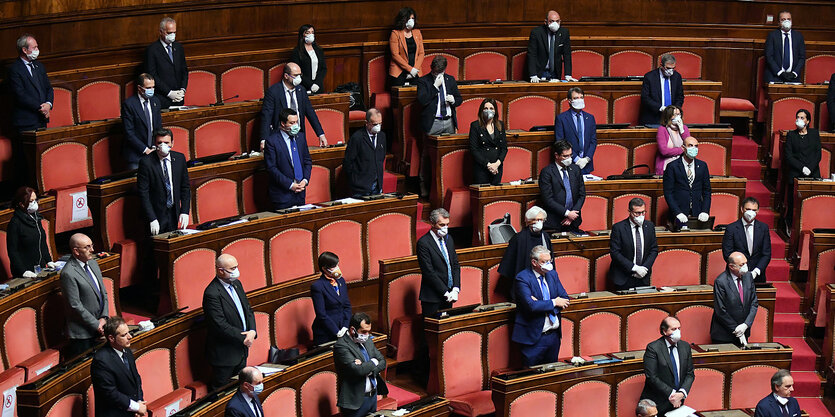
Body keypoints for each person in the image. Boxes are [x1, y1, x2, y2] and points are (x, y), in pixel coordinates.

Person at [203, 254, 257, 390]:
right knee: (221, 394)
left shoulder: (237, 284)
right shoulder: (212, 293)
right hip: (224, 356)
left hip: (241, 351)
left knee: (240, 390)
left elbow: (248, 310)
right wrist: (243, 337)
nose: (236, 271)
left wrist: (252, 331)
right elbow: (219, 324)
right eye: (232, 268)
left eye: (237, 267)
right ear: (220, 270)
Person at [511, 245, 570, 367]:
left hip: (553, 336)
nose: (549, 264)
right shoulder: (523, 278)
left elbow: (564, 299)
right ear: (534, 262)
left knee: (551, 378)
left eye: (550, 261)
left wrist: (541, 304)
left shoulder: (552, 275)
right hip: (534, 338)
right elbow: (531, 306)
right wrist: (554, 302)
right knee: (531, 378)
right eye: (545, 261)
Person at [60, 233, 109, 358]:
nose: (92, 250)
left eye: (91, 245)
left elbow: (103, 292)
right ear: (76, 251)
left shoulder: (93, 263)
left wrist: (104, 318)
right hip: (82, 335)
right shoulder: (68, 273)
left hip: (100, 326)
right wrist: (96, 324)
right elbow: (74, 305)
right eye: (87, 247)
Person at [260, 62, 328, 149]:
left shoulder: (301, 90)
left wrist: (320, 134)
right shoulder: (274, 92)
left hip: (299, 134)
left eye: (300, 75)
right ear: (286, 76)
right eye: (295, 75)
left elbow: (310, 113)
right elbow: (266, 117)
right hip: (281, 136)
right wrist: (264, 139)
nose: (299, 78)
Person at [136, 128, 190, 235]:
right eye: (159, 143)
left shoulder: (179, 159)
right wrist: (152, 218)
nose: (163, 145)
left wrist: (184, 211)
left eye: (166, 142)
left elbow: (185, 187)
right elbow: (143, 193)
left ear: (172, 143)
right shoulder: (146, 163)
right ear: (154, 144)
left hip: (173, 213)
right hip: (156, 215)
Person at [333, 312, 388, 417]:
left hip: (372, 397)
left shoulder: (368, 341)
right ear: (353, 330)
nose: (367, 335)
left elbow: (382, 361)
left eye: (368, 332)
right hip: (355, 401)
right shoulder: (341, 346)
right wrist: (373, 362)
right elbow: (357, 370)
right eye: (364, 332)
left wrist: (367, 367)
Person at [90, 316, 146, 417]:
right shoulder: (101, 361)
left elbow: (136, 379)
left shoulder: (127, 350)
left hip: (131, 411)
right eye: (124, 335)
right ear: (111, 338)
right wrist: (136, 407)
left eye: (129, 332)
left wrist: (139, 402)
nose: (130, 337)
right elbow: (110, 393)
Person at [641, 316, 695, 416]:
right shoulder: (653, 348)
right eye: (674, 329)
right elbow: (651, 377)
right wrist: (672, 395)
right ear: (665, 331)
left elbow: (690, 374)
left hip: (678, 402)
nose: (677, 332)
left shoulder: (685, 347)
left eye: (679, 328)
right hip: (656, 404)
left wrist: (681, 394)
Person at [264, 108, 313, 209]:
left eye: (296, 122)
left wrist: (305, 180)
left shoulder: (301, 137)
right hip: (282, 196)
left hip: (300, 194)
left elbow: (307, 161)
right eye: (291, 123)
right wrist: (290, 185)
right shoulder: (272, 141)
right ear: (283, 123)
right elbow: (271, 168)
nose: (295, 125)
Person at [416, 208, 461, 316]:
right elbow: (429, 272)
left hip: (449, 296)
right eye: (441, 225)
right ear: (432, 223)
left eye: (447, 224)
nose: (445, 228)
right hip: (432, 298)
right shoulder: (423, 243)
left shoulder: (449, 239)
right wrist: (445, 292)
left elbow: (455, 265)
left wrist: (455, 288)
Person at [782, 108, 821, 231]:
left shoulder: (814, 134)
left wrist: (810, 168)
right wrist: (802, 167)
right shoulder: (791, 135)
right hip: (796, 173)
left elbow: (818, 154)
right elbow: (789, 156)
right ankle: (790, 225)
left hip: (813, 173)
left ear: (808, 121)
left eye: (802, 117)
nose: (799, 120)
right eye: (797, 117)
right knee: (793, 203)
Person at [609, 198, 658, 291]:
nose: (641, 216)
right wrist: (634, 268)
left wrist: (645, 268)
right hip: (623, 277)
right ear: (630, 212)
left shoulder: (650, 226)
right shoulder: (618, 228)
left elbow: (654, 249)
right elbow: (615, 253)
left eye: (643, 212)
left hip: (643, 276)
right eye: (637, 213)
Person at [8, 34, 53, 133]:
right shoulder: (14, 69)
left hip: (42, 119)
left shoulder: (39, 66)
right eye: (34, 47)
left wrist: (48, 104)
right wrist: (41, 108)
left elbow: (48, 88)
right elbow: (20, 95)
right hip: (26, 122)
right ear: (24, 50)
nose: (37, 49)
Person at [710, 251, 759, 345]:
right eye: (742, 264)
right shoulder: (721, 281)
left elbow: (754, 303)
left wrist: (745, 325)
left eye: (746, 263)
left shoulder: (748, 276)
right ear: (731, 266)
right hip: (724, 335)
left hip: (744, 331)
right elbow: (720, 310)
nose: (745, 266)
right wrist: (736, 329)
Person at [662, 136, 711, 227]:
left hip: (697, 213)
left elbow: (707, 191)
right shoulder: (672, 166)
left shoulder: (702, 166)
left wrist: (705, 210)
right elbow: (668, 193)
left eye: (696, 146)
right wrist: (677, 212)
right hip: (679, 213)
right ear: (683, 148)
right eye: (690, 145)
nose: (694, 148)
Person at [498, 206, 553, 288]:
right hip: (524, 282)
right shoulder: (519, 238)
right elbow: (508, 266)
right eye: (536, 220)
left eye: (542, 220)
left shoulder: (545, 236)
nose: (539, 222)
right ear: (528, 221)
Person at [722, 197, 771, 283]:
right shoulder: (731, 228)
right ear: (742, 209)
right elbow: (727, 253)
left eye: (754, 210)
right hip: (736, 275)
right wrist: (741, 268)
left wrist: (756, 271)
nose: (751, 212)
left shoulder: (763, 228)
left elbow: (766, 254)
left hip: (757, 277)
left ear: (758, 211)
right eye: (748, 209)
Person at [539, 141, 586, 232]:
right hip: (554, 222)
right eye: (565, 156)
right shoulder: (547, 172)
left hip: (574, 221)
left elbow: (582, 194)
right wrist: (567, 213)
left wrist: (573, 215)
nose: (569, 158)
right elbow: (548, 199)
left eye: (570, 155)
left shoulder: (575, 169)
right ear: (557, 156)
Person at [6, 186, 51, 278]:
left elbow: (42, 242)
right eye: (31, 201)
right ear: (21, 204)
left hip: (40, 268)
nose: (34, 203)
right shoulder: (15, 223)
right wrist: (23, 271)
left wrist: (49, 261)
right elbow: (13, 251)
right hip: (24, 271)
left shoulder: (36, 218)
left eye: (35, 200)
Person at [144, 17, 188, 109]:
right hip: (161, 99)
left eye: (174, 32)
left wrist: (183, 90)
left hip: (179, 98)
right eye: (169, 33)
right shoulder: (152, 50)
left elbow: (184, 70)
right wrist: (169, 93)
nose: (172, 35)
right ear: (161, 32)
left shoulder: (178, 47)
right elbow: (152, 75)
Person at [121, 73, 162, 170]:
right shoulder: (129, 104)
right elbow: (129, 133)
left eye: (153, 87)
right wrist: (145, 149)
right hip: (136, 155)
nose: (151, 90)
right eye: (148, 88)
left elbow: (158, 126)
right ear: (139, 88)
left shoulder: (155, 101)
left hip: (153, 152)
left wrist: (155, 147)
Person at [311, 252, 352, 345]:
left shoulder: (341, 281)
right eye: (334, 266)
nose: (337, 268)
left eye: (337, 265)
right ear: (324, 269)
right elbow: (321, 315)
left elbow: (347, 306)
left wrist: (345, 326)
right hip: (326, 333)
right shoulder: (318, 286)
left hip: (343, 329)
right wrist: (337, 332)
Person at [344, 108, 386, 197]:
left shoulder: (382, 136)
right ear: (367, 123)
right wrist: (355, 181)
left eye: (380, 123)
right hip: (360, 188)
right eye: (375, 124)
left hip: (377, 186)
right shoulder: (357, 138)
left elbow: (381, 158)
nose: (378, 126)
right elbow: (348, 163)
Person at [417, 55, 462, 136]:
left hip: (449, 123)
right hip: (433, 123)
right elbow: (422, 101)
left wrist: (454, 100)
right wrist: (434, 87)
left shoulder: (450, 79)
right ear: (431, 68)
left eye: (440, 72)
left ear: (444, 69)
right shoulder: (423, 81)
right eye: (435, 72)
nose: (437, 75)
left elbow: (459, 99)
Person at [555, 87, 596, 174]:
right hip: (569, 163)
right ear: (570, 101)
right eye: (576, 98)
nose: (579, 100)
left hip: (586, 165)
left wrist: (587, 158)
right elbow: (560, 141)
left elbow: (593, 141)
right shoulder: (561, 118)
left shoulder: (590, 118)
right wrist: (576, 159)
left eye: (581, 97)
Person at [527, 10, 574, 82]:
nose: (555, 24)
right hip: (539, 72)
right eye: (551, 21)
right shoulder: (536, 32)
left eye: (557, 21)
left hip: (555, 73)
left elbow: (567, 55)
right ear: (545, 22)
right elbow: (532, 54)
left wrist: (568, 75)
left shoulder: (564, 32)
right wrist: (533, 75)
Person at [468, 98, 507, 185]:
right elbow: (474, 149)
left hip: (497, 168)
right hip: (482, 168)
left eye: (491, 108)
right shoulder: (475, 126)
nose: (488, 111)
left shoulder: (500, 125)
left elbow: (504, 148)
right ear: (481, 110)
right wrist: (488, 165)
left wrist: (497, 164)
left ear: (495, 111)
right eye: (486, 108)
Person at [639, 53, 684, 126]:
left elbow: (680, 96)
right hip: (653, 117)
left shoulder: (677, 76)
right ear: (661, 65)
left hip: (672, 118)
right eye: (668, 68)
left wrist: (675, 110)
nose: (671, 71)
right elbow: (645, 98)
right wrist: (661, 108)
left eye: (673, 68)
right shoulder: (650, 77)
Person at [764, 11, 806, 84]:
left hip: (793, 78)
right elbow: (769, 57)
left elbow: (802, 57)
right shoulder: (772, 36)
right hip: (775, 77)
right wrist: (780, 73)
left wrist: (795, 73)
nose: (786, 21)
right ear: (779, 23)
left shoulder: (798, 36)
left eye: (789, 19)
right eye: (783, 19)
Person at [388, 7, 425, 87]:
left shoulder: (417, 33)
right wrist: (410, 69)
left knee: (420, 93)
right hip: (399, 72)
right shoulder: (395, 33)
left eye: (413, 18)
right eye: (408, 18)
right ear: (403, 19)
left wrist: (415, 69)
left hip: (415, 70)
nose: (411, 21)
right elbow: (395, 55)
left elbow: (421, 53)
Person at [290, 24, 327, 94]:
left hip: (318, 86)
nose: (311, 35)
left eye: (312, 32)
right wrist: (310, 85)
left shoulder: (318, 50)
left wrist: (317, 83)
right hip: (304, 86)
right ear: (302, 35)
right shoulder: (297, 51)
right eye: (307, 33)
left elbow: (323, 69)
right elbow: (297, 72)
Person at [654, 105, 689, 175]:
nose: (678, 117)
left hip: (683, 166)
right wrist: (681, 150)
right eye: (675, 115)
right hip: (666, 167)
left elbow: (689, 146)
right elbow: (664, 151)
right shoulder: (662, 129)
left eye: (679, 114)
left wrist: (682, 131)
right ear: (668, 116)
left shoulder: (684, 128)